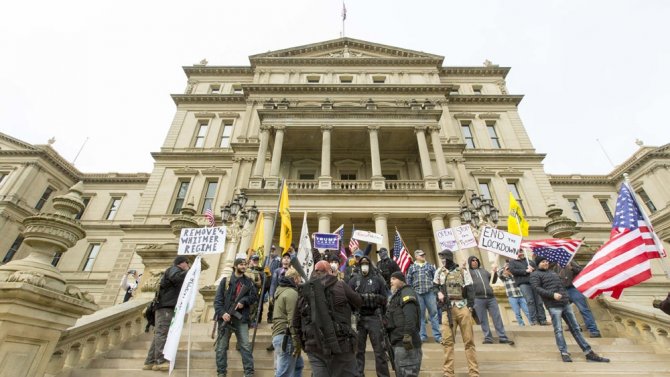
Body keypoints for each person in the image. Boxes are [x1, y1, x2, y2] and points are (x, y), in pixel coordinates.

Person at [530, 255, 610, 363]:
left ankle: (588, 353)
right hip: (553, 306)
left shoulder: (553, 272)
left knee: (575, 328)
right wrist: (552, 295)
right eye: (543, 262)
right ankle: (564, 353)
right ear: (538, 263)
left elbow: (561, 287)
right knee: (558, 330)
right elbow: (537, 289)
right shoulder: (535, 275)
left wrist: (566, 298)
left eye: (546, 261)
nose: (546, 263)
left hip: (565, 303)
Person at [292, 260, 363, 377]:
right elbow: (359, 302)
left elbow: (295, 321)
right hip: (341, 345)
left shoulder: (304, 292)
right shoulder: (340, 285)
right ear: (330, 271)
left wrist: (302, 343)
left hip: (314, 346)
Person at [434, 250, 478, 377]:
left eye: (444, 257)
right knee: (447, 341)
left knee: (469, 341)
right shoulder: (439, 272)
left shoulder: (463, 271)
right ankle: (448, 373)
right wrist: (438, 293)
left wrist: (470, 306)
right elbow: (434, 286)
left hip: (462, 306)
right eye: (441, 258)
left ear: (449, 258)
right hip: (447, 309)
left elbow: (470, 288)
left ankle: (474, 372)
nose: (442, 260)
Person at [143, 256, 190, 371]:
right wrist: (190, 271)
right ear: (182, 263)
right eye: (187, 264)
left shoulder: (175, 270)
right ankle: (160, 361)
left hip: (166, 307)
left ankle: (150, 361)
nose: (188, 266)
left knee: (159, 334)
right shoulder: (174, 269)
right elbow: (176, 278)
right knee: (162, 334)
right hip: (166, 307)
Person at [214, 258, 258, 377]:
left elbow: (254, 297)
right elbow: (217, 301)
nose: (244, 266)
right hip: (225, 319)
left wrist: (244, 301)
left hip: (241, 318)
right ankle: (221, 373)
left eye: (245, 264)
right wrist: (223, 313)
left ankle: (249, 373)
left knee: (245, 346)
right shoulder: (226, 280)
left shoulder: (248, 282)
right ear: (235, 266)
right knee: (221, 347)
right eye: (241, 264)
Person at [348, 255, 390, 377]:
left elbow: (385, 298)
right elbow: (349, 299)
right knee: (358, 351)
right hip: (359, 318)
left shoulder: (378, 280)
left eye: (366, 263)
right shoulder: (353, 280)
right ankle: (358, 374)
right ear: (359, 265)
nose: (364, 266)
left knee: (380, 351)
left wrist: (374, 298)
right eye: (362, 264)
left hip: (374, 318)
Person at [466, 256, 514, 345]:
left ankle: (502, 337)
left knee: (497, 317)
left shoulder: (484, 271)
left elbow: (493, 280)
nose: (475, 262)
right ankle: (488, 337)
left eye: (476, 260)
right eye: (472, 261)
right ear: (469, 262)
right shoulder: (468, 273)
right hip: (478, 298)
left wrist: (495, 272)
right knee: (483, 319)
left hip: (491, 297)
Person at [385, 271, 422, 377]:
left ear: (401, 280)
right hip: (398, 343)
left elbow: (410, 316)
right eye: (391, 279)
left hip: (407, 344)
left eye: (394, 279)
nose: (391, 281)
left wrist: (407, 335)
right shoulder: (396, 295)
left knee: (408, 373)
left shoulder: (407, 293)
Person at [553, 260, 602, 337]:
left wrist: (571, 267)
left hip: (573, 289)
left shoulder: (570, 261)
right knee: (563, 310)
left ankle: (594, 331)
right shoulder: (556, 266)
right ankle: (575, 326)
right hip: (563, 291)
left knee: (584, 310)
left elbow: (581, 271)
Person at [272, 267, 304, 377]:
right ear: (295, 278)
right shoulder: (291, 293)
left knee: (298, 366)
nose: (300, 281)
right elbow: (292, 319)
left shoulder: (281, 290)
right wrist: (296, 341)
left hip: (280, 335)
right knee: (284, 373)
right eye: (299, 278)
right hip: (287, 336)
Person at [406, 249, 442, 343]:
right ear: (416, 256)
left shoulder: (430, 266)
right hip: (417, 293)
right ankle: (422, 336)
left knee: (433, 314)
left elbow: (436, 280)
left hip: (430, 292)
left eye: (423, 255)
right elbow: (408, 281)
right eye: (421, 255)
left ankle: (437, 336)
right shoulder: (412, 267)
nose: (423, 256)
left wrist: (437, 291)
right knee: (420, 315)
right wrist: (410, 292)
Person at [508, 249, 547, 325]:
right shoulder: (512, 262)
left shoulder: (529, 261)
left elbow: (537, 269)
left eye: (521, 251)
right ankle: (534, 320)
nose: (521, 253)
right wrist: (525, 271)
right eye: (519, 252)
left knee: (539, 301)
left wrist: (533, 269)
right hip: (523, 283)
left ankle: (542, 319)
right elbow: (513, 271)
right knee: (530, 301)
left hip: (534, 283)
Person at [497, 261, 531, 326]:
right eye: (507, 269)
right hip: (512, 297)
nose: (508, 270)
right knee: (517, 313)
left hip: (521, 296)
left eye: (509, 269)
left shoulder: (516, 276)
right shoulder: (505, 278)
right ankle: (521, 325)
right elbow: (499, 273)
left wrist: (511, 268)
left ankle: (532, 323)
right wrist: (505, 267)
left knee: (527, 311)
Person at [246, 254, 265, 328]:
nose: (255, 262)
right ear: (250, 260)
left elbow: (260, 284)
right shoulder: (244, 269)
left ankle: (251, 322)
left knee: (253, 308)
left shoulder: (259, 271)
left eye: (257, 260)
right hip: (244, 295)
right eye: (254, 260)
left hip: (254, 294)